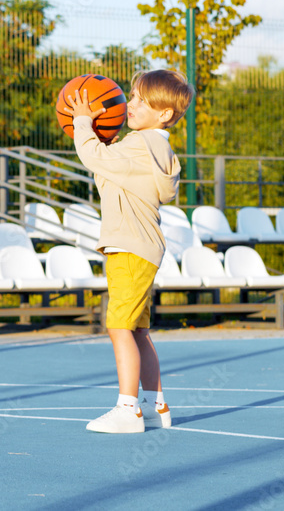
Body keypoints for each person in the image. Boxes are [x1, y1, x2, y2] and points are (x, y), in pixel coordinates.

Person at [60, 70, 194, 433]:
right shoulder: (154, 147)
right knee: (138, 330)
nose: (128, 104)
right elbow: (110, 177)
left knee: (118, 325)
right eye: (130, 96)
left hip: (130, 247)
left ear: (164, 114)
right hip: (142, 247)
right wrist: (110, 148)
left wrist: (83, 121)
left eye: (138, 100)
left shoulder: (141, 145)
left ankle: (128, 409)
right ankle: (155, 405)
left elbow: (91, 157)